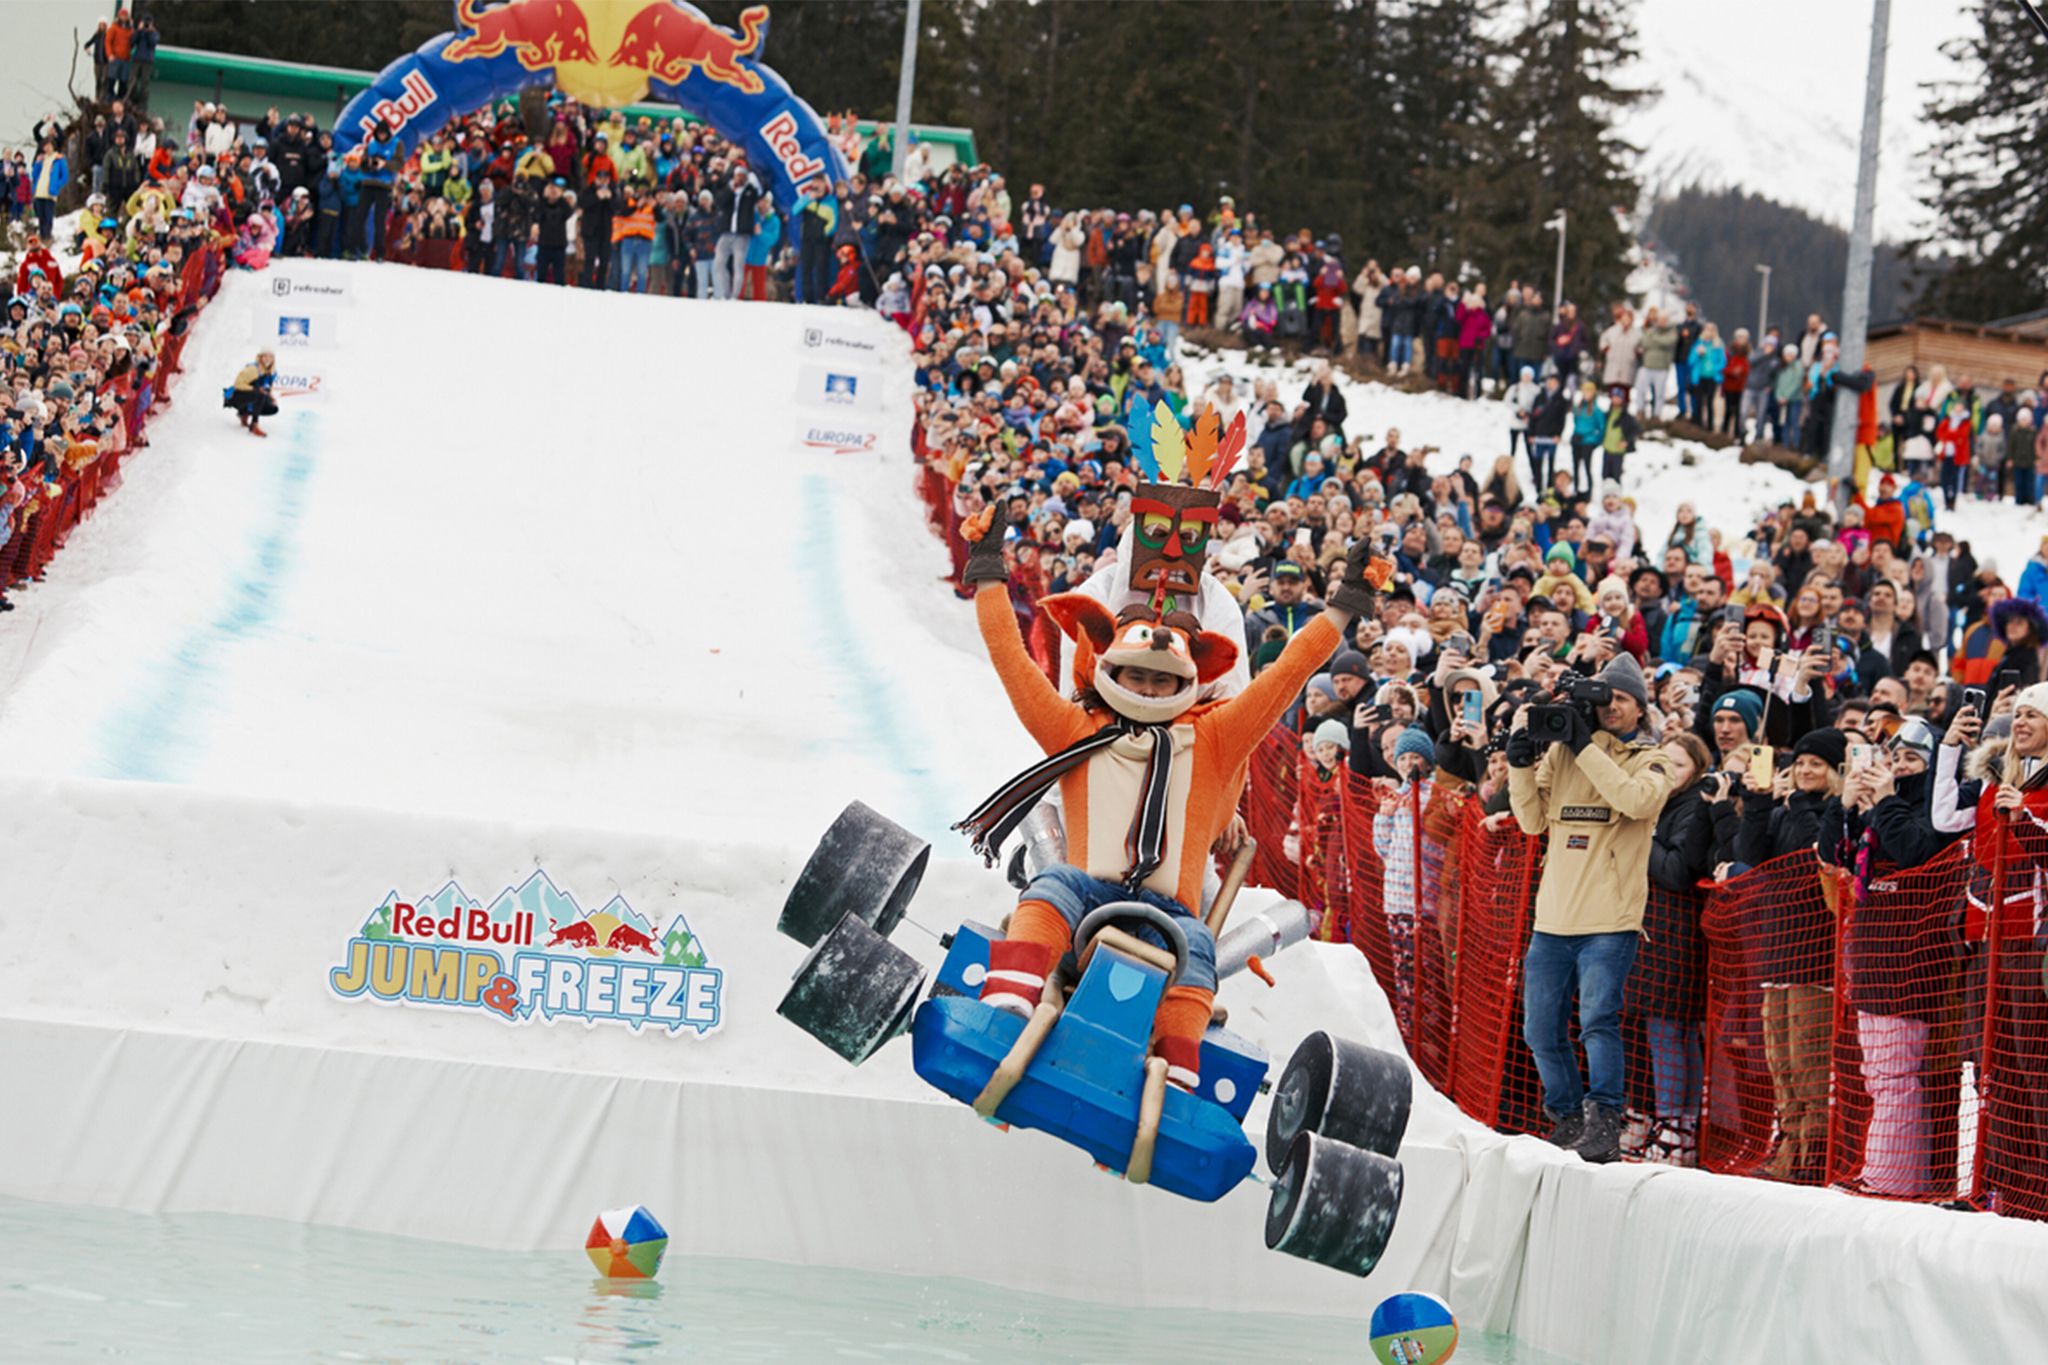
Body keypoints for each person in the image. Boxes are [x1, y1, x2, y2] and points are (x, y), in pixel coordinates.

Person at [953, 504, 1386, 1092]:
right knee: (1049, 888)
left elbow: (1287, 674)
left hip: (1168, 917)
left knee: (1198, 950)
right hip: (1083, 898)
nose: (1150, 689)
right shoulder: (1077, 728)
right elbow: (1011, 660)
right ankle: (1011, 995)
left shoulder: (1212, 736)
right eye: (1137, 676)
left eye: (1163, 680)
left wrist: (1346, 604)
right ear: (1110, 670)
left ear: (1190, 682)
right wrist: (987, 571)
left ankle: (1178, 1067)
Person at [1506, 652, 1675, 1161]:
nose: (1612, 707)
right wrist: (1519, 764)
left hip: (1610, 919)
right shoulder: (1561, 753)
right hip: (1554, 918)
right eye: (1606, 698)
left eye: (1622, 699)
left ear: (1641, 708)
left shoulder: (1651, 758)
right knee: (1539, 1030)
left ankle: (1605, 1119)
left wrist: (1583, 744)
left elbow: (1636, 801)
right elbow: (1532, 821)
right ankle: (1568, 1116)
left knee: (1598, 1020)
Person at [1735, 729, 1844, 1181]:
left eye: (1816, 764)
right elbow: (1749, 854)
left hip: (1815, 955)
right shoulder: (1784, 812)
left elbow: (1812, 854)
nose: (1804, 771)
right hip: (1777, 951)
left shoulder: (1834, 811)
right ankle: (1788, 1144)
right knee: (1780, 1061)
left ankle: (1811, 1154)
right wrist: (1757, 803)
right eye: (1799, 763)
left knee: (1809, 1062)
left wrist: (1796, 801)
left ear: (1836, 771)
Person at [223, 350, 278, 437]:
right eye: (265, 356)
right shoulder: (253, 369)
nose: (267, 359)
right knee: (260, 394)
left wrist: (272, 397)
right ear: (260, 357)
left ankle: (244, 413)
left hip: (253, 395)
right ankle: (254, 424)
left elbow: (267, 388)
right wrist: (256, 389)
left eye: (270, 356)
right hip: (236, 396)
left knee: (272, 407)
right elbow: (238, 384)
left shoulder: (271, 372)